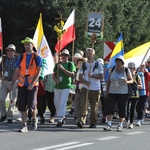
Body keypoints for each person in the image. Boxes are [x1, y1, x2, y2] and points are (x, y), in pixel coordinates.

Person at [9, 37, 42, 132]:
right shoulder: (21, 57)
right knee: (22, 106)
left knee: (31, 106)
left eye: (28, 44)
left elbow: (38, 72)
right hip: (22, 84)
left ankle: (34, 118)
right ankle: (24, 125)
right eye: (25, 44)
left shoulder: (37, 57)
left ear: (32, 45)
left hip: (32, 85)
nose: (26, 46)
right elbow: (16, 71)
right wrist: (12, 84)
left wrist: (32, 83)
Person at [103, 55, 133, 132]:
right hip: (112, 92)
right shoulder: (112, 69)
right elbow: (109, 81)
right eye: (117, 62)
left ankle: (120, 124)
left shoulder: (126, 70)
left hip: (122, 92)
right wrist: (107, 91)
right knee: (111, 108)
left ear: (122, 63)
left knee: (121, 108)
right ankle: (109, 124)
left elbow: (132, 81)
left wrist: (126, 81)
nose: (118, 63)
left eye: (119, 62)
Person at [76, 48, 103, 128]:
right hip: (85, 87)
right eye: (87, 53)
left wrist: (93, 76)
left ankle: (93, 122)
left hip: (95, 88)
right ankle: (81, 121)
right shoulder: (83, 65)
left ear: (93, 55)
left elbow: (101, 76)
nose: (88, 55)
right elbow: (80, 77)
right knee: (83, 104)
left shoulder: (98, 65)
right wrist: (85, 82)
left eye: (90, 53)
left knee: (94, 106)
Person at [53, 49, 76, 127]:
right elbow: (54, 74)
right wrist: (55, 79)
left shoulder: (70, 64)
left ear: (68, 57)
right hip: (58, 86)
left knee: (62, 102)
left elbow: (72, 75)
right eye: (62, 55)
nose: (63, 56)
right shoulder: (57, 64)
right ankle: (62, 115)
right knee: (56, 103)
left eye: (66, 55)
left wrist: (62, 69)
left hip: (66, 86)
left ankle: (60, 119)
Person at [0, 44, 18, 123]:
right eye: (8, 50)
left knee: (12, 100)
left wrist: (13, 83)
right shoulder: (4, 59)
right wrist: (1, 77)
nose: (9, 52)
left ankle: (10, 116)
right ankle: (3, 114)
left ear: (14, 52)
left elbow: (19, 72)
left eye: (11, 50)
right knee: (1, 98)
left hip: (13, 82)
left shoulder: (17, 59)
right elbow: (0, 69)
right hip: (5, 81)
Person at [125, 62, 142, 129]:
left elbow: (141, 86)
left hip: (135, 95)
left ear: (134, 69)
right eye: (129, 68)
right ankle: (126, 120)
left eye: (131, 68)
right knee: (126, 108)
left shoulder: (137, 76)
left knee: (132, 109)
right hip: (127, 94)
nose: (130, 70)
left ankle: (131, 122)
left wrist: (135, 85)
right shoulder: (126, 76)